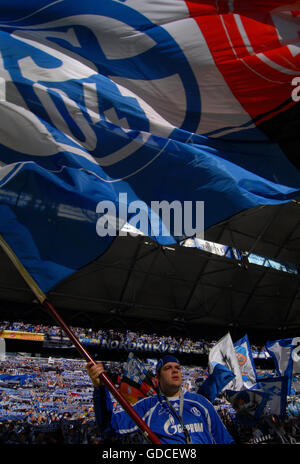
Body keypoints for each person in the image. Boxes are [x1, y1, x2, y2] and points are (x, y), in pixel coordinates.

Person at [86, 355, 234, 444]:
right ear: (157, 377)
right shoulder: (147, 406)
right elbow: (108, 426)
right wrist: (100, 388)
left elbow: (225, 440)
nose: (175, 370)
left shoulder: (201, 403)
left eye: (177, 367)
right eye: (168, 368)